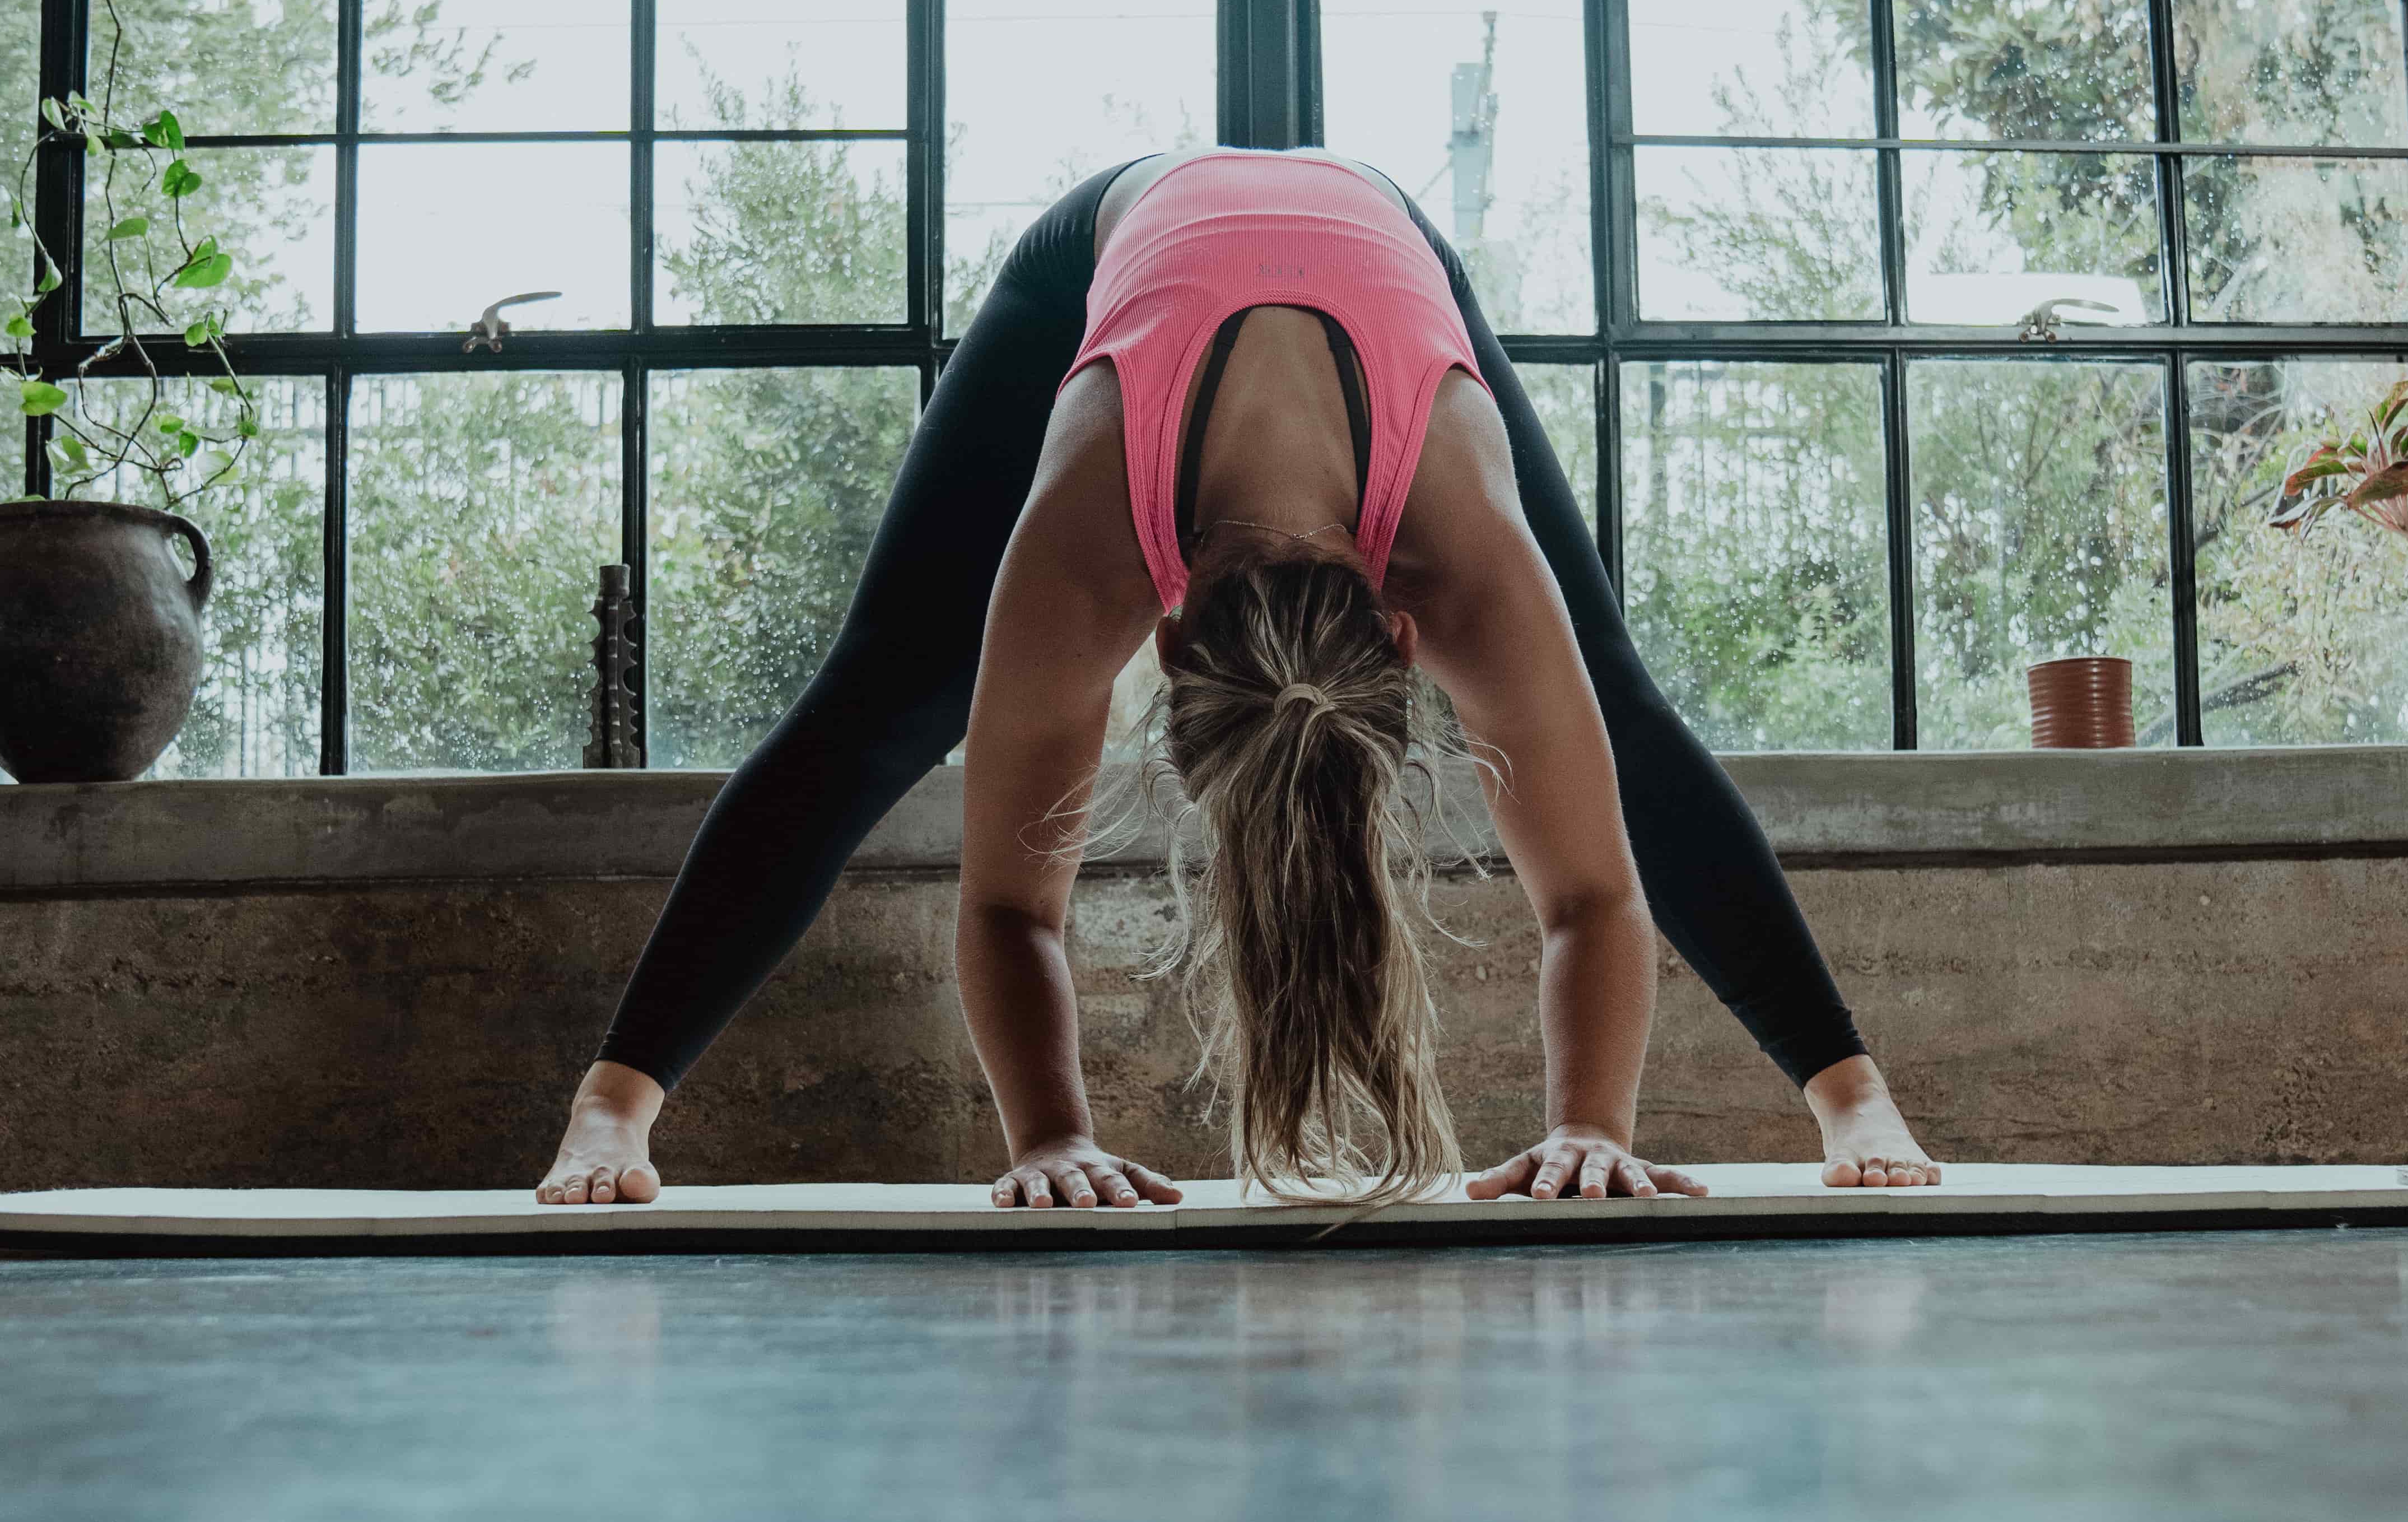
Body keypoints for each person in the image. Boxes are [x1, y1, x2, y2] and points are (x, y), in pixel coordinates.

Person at [537, 147, 1939, 1211]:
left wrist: (1594, 1131)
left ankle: (1851, 1093)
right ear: (1158, 639)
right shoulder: (1083, 539)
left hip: (1382, 240)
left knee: (1613, 707)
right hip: (1111, 239)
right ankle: (612, 1103)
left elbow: (1594, 894)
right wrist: (1049, 1142)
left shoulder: (1463, 547)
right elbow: (1008, 905)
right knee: (888, 697)